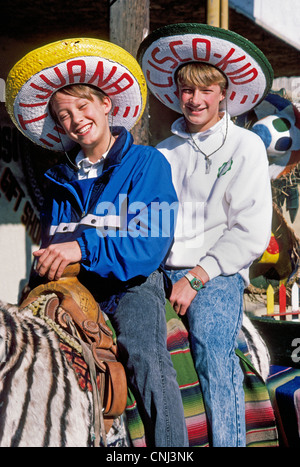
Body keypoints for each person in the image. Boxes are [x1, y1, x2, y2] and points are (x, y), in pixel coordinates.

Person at [6, 38, 188, 447]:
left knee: (143, 354)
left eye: (82, 107)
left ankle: (172, 448)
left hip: (132, 284)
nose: (75, 120)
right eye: (63, 115)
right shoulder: (58, 180)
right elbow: (57, 242)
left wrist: (83, 249)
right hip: (77, 287)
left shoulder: (147, 163)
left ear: (106, 104)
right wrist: (48, 264)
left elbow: (149, 245)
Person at [138, 23, 274, 446]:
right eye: (186, 90)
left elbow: (250, 231)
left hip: (215, 274)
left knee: (214, 355)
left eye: (205, 90)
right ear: (176, 93)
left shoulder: (246, 145)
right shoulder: (162, 152)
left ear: (223, 94)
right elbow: (149, 221)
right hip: (160, 271)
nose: (194, 100)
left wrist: (197, 275)